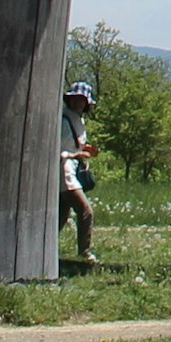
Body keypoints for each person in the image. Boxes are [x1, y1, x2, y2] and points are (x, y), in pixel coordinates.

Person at [58, 82, 101, 265]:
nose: (78, 103)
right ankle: (84, 251)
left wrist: (84, 150)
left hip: (71, 169)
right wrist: (77, 154)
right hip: (64, 171)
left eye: (81, 100)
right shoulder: (62, 120)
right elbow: (55, 148)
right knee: (85, 211)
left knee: (61, 214)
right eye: (75, 99)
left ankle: (47, 248)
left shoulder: (78, 120)